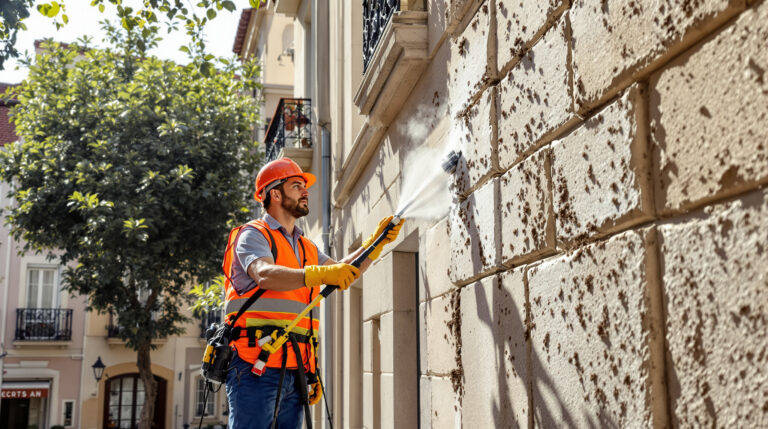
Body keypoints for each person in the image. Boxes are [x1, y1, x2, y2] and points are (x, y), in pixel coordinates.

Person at [223, 158, 403, 429]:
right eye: (297, 186)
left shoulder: (306, 246)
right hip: (254, 367)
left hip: (296, 368)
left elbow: (343, 272)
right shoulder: (253, 235)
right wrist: (317, 275)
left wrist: (374, 245)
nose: (305, 192)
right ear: (275, 193)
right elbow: (264, 273)